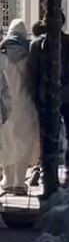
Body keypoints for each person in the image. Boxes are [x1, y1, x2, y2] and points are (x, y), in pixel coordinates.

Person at [28, 14, 69, 181]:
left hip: (49, 96)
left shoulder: (38, 45)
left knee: (49, 135)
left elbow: (33, 75)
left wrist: (35, 95)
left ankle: (48, 170)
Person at [0, 20, 40, 195]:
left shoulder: (2, 56)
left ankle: (8, 181)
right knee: (24, 144)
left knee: (7, 143)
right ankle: (19, 182)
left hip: (5, 107)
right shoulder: (30, 57)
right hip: (26, 106)